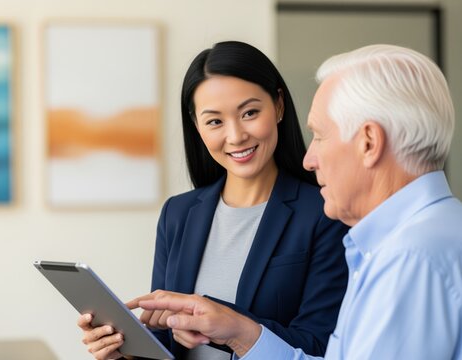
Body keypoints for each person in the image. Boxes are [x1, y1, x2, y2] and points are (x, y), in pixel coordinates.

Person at [135, 44, 462, 359]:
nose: (311, 157)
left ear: (368, 142)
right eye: (215, 120)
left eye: (320, 135)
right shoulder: (399, 241)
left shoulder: (408, 255)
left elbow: (318, 341)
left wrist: (234, 329)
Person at [78, 41, 349, 360]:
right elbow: (165, 340)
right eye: (215, 121)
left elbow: (321, 345)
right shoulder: (177, 214)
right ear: (197, 126)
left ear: (277, 106)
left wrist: (227, 327)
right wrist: (125, 353)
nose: (235, 136)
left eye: (250, 112)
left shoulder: (326, 212)